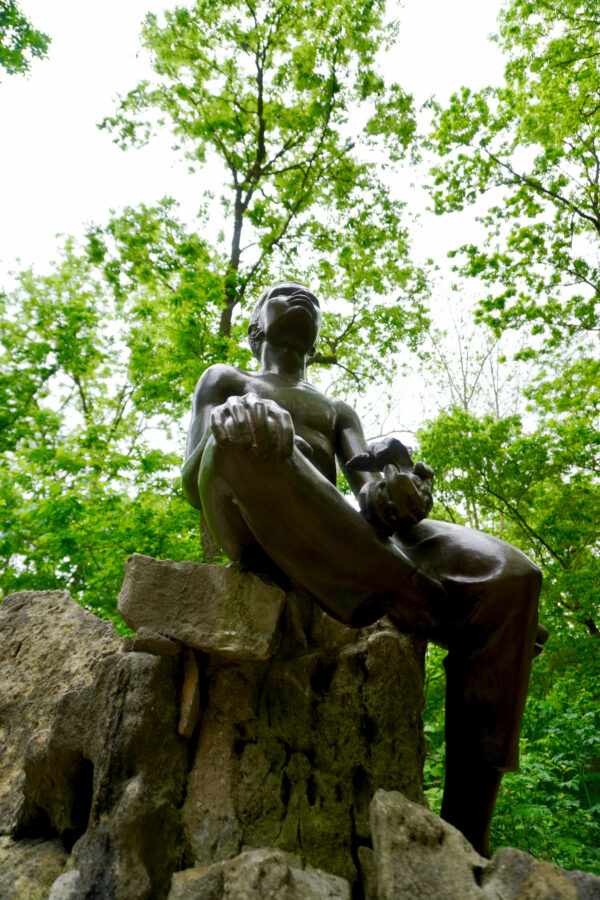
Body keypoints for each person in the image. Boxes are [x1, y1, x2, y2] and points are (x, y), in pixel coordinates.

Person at [182, 280, 546, 856]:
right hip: (254, 508)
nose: (301, 299)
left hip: (333, 530)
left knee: (513, 579)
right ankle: (426, 604)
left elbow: (366, 492)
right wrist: (241, 416)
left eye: (312, 299)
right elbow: (192, 479)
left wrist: (397, 490)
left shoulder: (335, 409)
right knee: (247, 441)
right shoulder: (226, 381)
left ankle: (467, 836)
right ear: (256, 325)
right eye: (282, 293)